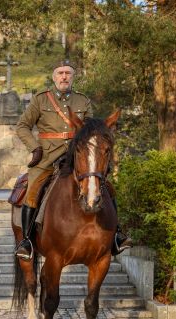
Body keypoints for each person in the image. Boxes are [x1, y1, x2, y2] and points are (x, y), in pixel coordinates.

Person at [14, 59, 131, 260]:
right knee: (32, 191)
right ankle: (26, 241)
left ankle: (117, 235)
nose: (64, 77)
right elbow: (22, 126)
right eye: (60, 73)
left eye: (68, 73)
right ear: (54, 76)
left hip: (78, 156)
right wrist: (35, 148)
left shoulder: (82, 100)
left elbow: (91, 129)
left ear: (73, 76)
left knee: (107, 187)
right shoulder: (41, 99)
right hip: (48, 157)